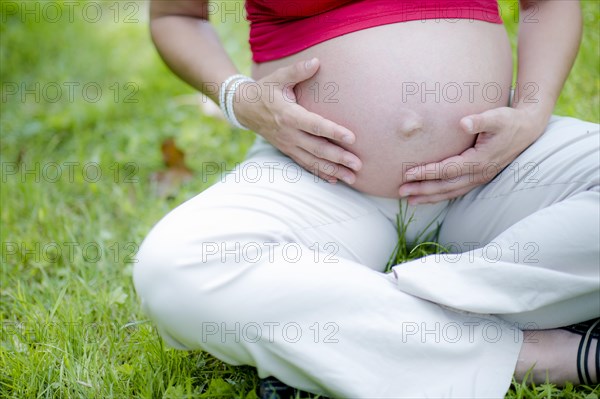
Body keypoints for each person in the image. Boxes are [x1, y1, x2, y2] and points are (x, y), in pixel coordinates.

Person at [133, 0, 600, 397]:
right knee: (174, 267)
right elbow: (177, 14)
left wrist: (533, 112)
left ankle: (341, 332)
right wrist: (240, 97)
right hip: (320, 180)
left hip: (496, 164)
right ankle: (540, 354)